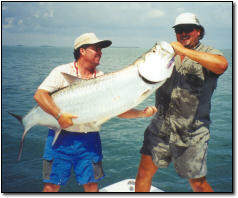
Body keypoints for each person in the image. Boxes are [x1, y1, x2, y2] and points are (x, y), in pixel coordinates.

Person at [34, 33, 157, 192]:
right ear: (82, 51)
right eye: (96, 48)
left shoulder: (101, 78)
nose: (100, 52)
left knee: (92, 186)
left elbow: (117, 110)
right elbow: (40, 95)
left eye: (101, 49)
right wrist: (59, 115)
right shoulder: (61, 71)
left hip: (89, 140)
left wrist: (141, 113)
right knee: (51, 186)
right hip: (60, 140)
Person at [135, 13, 228, 192]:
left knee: (198, 184)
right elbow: (141, 68)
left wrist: (183, 51)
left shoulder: (209, 53)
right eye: (179, 30)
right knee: (143, 174)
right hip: (159, 128)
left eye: (188, 29)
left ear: (199, 32)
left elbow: (222, 65)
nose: (183, 33)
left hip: (192, 133)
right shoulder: (166, 54)